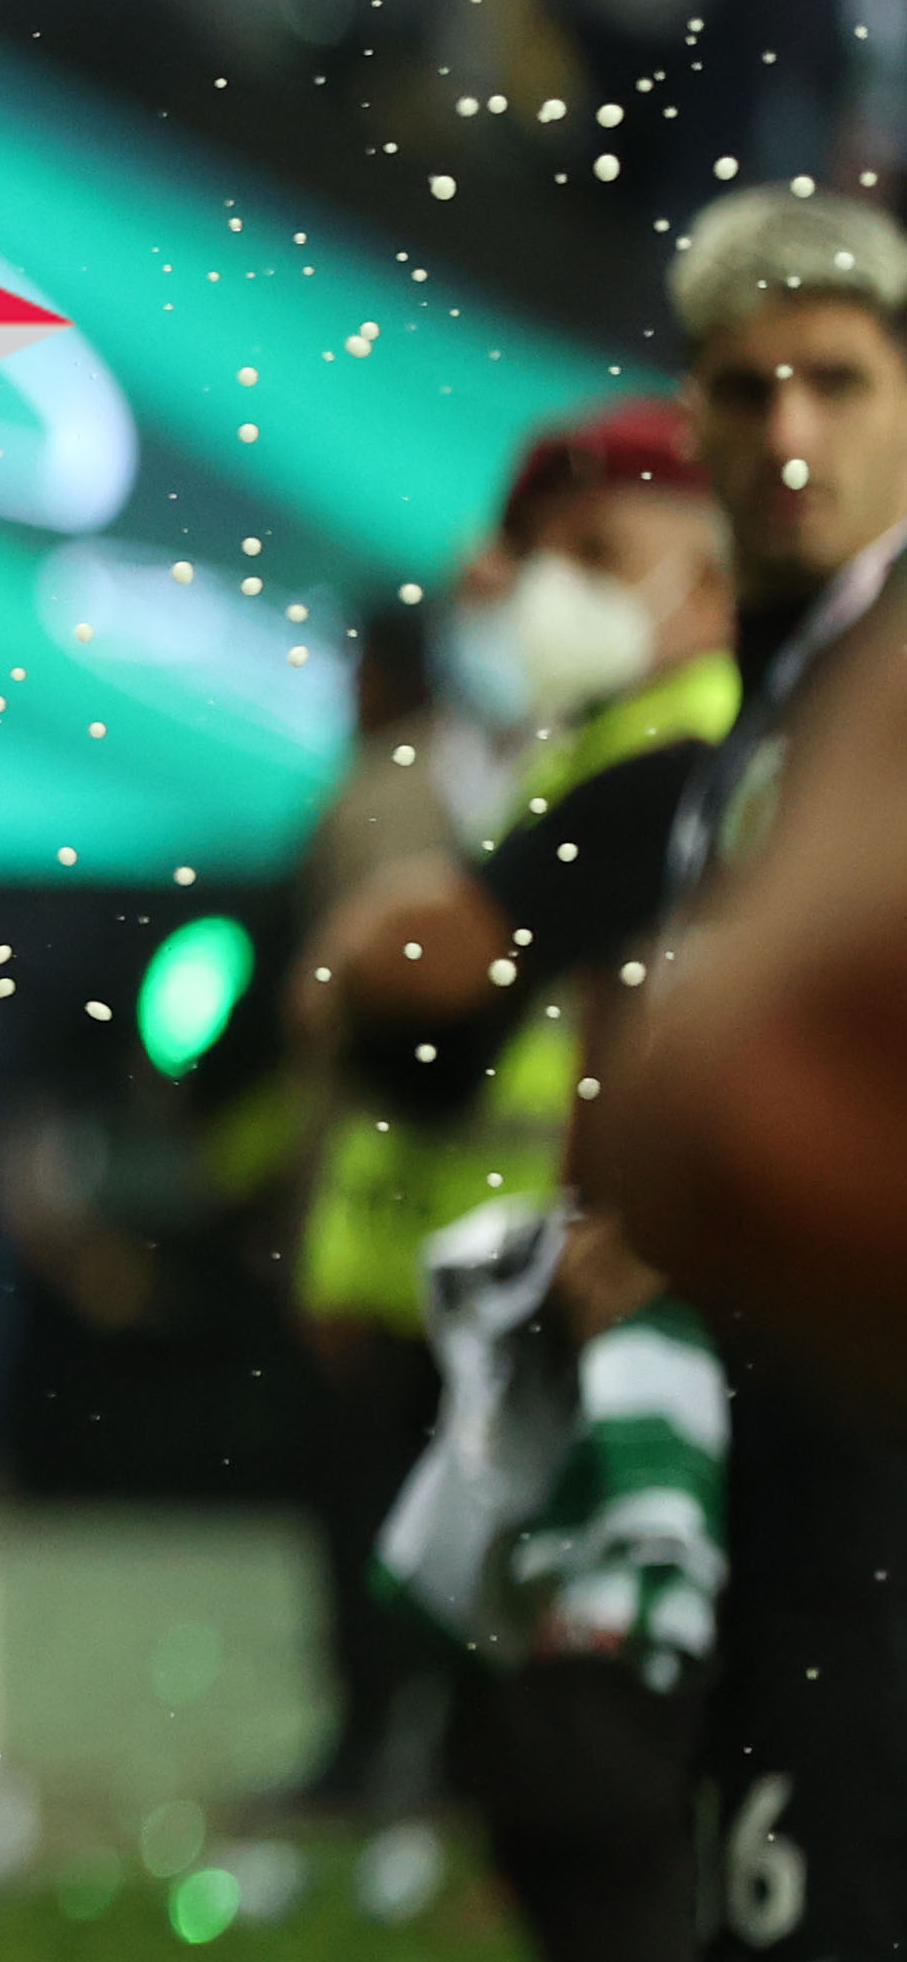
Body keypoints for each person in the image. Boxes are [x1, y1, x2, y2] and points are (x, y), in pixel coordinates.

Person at [313, 186, 907, 1962]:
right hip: (740, 1430)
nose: (787, 430)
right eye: (742, 389)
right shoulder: (747, 728)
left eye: (835, 381)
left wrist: (691, 1189)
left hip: (854, 1450)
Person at [290, 404, 738, 1811]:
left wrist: (365, 956)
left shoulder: (693, 747)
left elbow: (438, 961)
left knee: (610, 1700)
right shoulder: (585, 749)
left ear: (710, 572)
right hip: (524, 1248)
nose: (555, 593)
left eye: (597, 554)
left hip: (630, 1262)